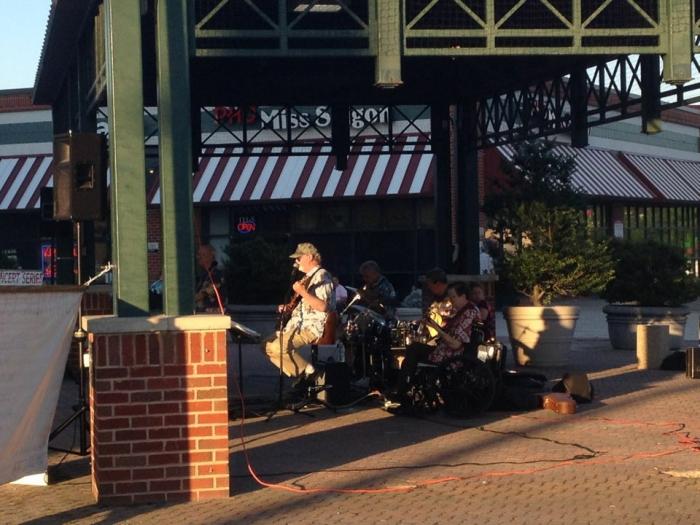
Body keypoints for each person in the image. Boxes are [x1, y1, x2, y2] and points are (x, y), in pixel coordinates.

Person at [261, 242, 335, 384]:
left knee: (277, 347)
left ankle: (308, 373)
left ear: (309, 257)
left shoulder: (322, 276)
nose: (296, 261)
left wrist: (302, 292)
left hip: (311, 327)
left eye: (299, 258)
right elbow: (305, 303)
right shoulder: (307, 277)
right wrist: (289, 307)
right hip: (296, 324)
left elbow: (323, 306)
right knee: (265, 345)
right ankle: (304, 374)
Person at [397, 281, 480, 394]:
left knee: (413, 350)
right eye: (450, 297)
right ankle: (405, 387)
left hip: (451, 356)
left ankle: (403, 391)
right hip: (445, 351)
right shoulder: (462, 311)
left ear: (463, 296)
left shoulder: (468, 313)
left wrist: (436, 328)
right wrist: (434, 324)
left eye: (454, 297)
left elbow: (455, 344)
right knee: (413, 349)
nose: (451, 301)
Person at [194, 244, 225, 313]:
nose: (198, 257)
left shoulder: (216, 274)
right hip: (201, 314)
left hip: (213, 315)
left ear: (211, 256)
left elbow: (203, 294)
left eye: (202, 255)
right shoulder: (204, 275)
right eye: (198, 254)